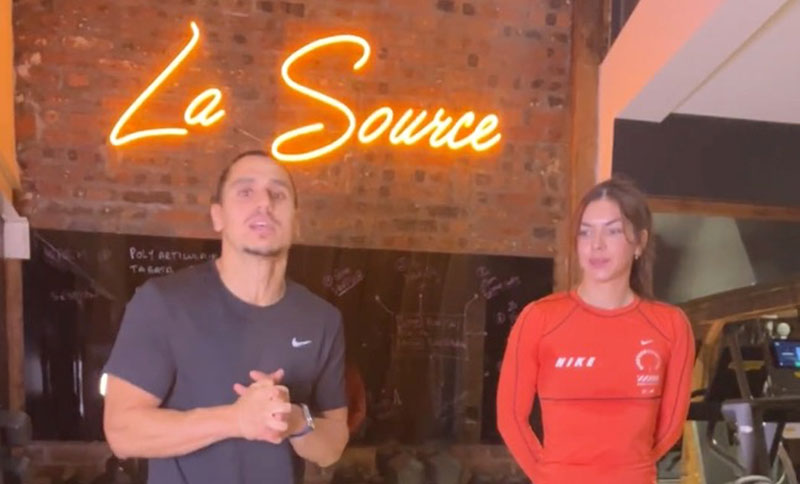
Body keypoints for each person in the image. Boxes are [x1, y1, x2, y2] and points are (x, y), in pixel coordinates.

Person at [102, 150, 348, 484]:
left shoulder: (322, 319)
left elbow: (333, 445)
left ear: (295, 220)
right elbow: (122, 433)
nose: (264, 202)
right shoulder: (163, 303)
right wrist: (236, 420)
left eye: (278, 194)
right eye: (245, 192)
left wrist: (293, 421)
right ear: (218, 216)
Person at [496, 177, 695, 484]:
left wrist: (626, 470)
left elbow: (670, 427)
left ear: (640, 242)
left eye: (612, 231)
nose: (596, 244)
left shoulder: (670, 325)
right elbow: (510, 418)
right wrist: (552, 476)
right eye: (585, 232)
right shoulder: (539, 319)